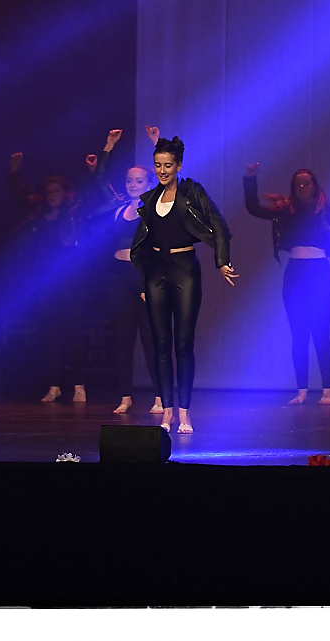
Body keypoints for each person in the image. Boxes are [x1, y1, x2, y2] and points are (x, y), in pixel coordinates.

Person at [129, 127, 239, 435]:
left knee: (183, 344)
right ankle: (167, 411)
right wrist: (143, 281)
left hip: (184, 269)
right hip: (156, 272)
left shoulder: (192, 192)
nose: (162, 170)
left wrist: (222, 261)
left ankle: (185, 412)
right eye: (158, 165)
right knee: (160, 344)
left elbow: (218, 224)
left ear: (178, 166)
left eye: (168, 165)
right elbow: (144, 242)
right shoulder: (151, 198)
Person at [244, 163, 330, 406]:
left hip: (319, 273)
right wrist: (250, 178)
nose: (302, 186)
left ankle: (327, 392)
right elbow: (254, 208)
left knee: (321, 333)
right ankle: (302, 391)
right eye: (298, 183)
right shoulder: (286, 209)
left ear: (315, 185)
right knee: (298, 335)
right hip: (295, 273)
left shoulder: (328, 209)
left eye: (306, 182)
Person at [87, 129, 163, 416]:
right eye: (130, 180)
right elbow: (99, 180)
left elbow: (173, 181)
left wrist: (157, 144)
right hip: (117, 277)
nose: (133, 185)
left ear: (149, 183)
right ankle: (125, 395)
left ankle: (160, 395)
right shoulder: (118, 206)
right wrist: (108, 147)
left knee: (150, 338)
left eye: (139, 181)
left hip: (143, 275)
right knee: (122, 338)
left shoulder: (155, 206)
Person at [9, 152, 89, 404]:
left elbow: (76, 245)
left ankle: (79, 385)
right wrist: (14, 173)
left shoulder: (73, 214)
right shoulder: (38, 214)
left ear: (65, 193)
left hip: (71, 281)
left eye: (57, 191)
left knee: (72, 332)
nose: (53, 194)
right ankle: (54, 385)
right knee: (51, 332)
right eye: (49, 191)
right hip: (46, 281)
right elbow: (19, 198)